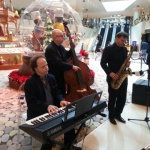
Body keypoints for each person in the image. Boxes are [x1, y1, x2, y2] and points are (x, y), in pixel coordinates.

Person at [24, 55, 81, 150]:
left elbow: (57, 92)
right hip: (39, 113)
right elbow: (31, 102)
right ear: (36, 69)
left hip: (53, 109)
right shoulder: (30, 83)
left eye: (46, 65)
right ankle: (47, 145)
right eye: (43, 66)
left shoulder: (51, 77)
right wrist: (47, 106)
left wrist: (61, 100)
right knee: (48, 134)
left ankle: (68, 146)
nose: (47, 67)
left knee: (70, 121)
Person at [100, 31, 130, 125]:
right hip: (113, 77)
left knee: (122, 97)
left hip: (122, 77)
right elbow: (103, 63)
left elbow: (124, 62)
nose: (123, 42)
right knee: (113, 98)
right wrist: (110, 73)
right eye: (122, 40)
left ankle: (118, 114)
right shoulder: (108, 49)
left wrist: (127, 64)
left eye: (125, 41)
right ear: (116, 38)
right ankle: (111, 116)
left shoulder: (124, 49)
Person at [45, 29, 80, 96]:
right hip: (55, 76)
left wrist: (72, 48)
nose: (63, 37)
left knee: (62, 92)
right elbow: (58, 63)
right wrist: (72, 66)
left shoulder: (60, 46)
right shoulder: (50, 49)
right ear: (55, 37)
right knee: (58, 94)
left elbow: (66, 55)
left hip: (62, 74)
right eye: (61, 36)